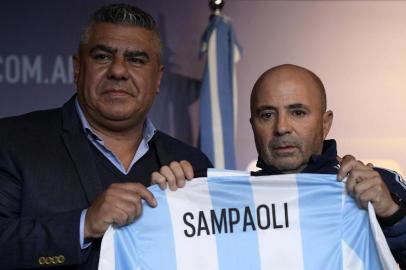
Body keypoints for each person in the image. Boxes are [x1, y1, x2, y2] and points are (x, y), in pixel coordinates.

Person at [0, 4, 212, 270]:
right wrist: (83, 224)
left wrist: (186, 203)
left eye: (136, 60)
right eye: (102, 57)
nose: (118, 71)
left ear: (158, 79)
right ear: (77, 68)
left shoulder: (192, 165)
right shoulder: (12, 142)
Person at [152, 64, 406, 268]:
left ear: (325, 123)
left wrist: (393, 214)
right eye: (267, 115)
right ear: (253, 126)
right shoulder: (211, 196)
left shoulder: (379, 185)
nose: (282, 127)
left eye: (298, 112)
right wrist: (169, 205)